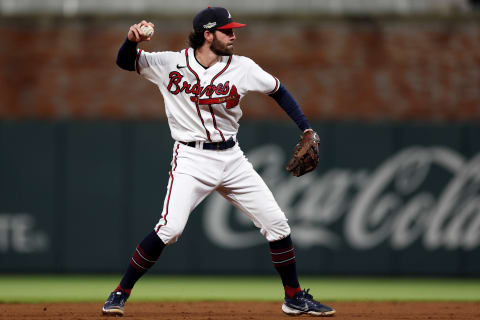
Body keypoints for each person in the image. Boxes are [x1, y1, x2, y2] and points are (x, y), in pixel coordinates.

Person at [102, 6, 335, 317]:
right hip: (191, 157)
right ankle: (120, 292)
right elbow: (124, 62)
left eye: (233, 29)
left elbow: (278, 90)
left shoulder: (243, 67)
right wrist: (131, 40)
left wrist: (305, 127)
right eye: (227, 31)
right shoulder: (170, 63)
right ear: (207, 34)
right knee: (170, 229)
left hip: (231, 157)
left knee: (277, 224)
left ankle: (293, 298)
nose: (233, 35)